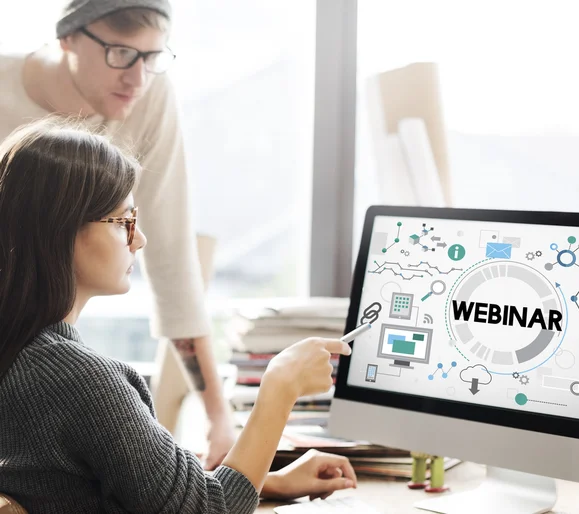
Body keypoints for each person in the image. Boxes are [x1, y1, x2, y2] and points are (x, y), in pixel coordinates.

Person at [0, 118, 357, 513]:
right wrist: (280, 388)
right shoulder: (78, 381)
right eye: (124, 222)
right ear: (61, 231)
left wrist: (266, 482)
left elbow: (97, 488)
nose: (140, 239)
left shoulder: (23, 357)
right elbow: (208, 510)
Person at [0, 0, 236, 468]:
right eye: (121, 54)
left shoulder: (150, 94)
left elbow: (170, 257)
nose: (138, 78)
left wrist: (217, 416)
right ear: (67, 37)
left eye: (153, 58)